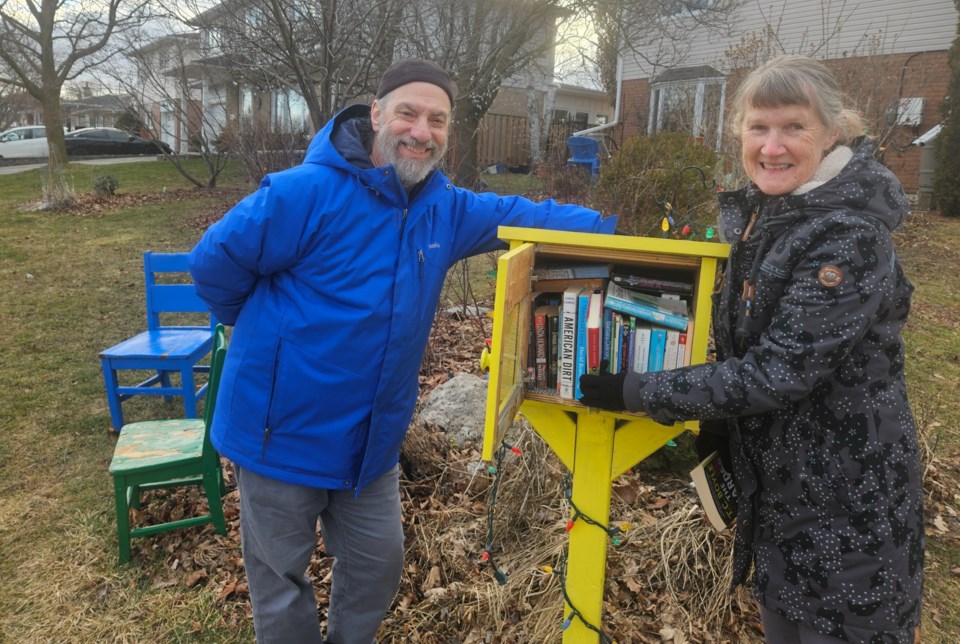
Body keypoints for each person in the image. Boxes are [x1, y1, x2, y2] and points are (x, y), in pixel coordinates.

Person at [188, 58, 616, 644]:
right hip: (279, 432)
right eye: (408, 113)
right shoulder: (302, 194)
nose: (421, 130)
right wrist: (265, 330)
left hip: (371, 445)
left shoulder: (446, 208)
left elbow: (528, 216)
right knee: (280, 581)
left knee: (376, 567)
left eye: (437, 120)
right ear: (376, 115)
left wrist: (619, 229)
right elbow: (213, 266)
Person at [579, 54, 923, 643]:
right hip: (787, 498)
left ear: (833, 132)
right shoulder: (770, 216)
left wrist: (638, 389)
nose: (772, 146)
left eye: (794, 127)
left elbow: (777, 372)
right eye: (758, 127)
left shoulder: (847, 236)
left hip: (848, 508)